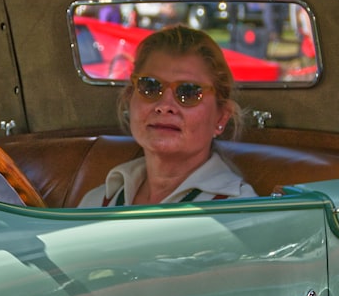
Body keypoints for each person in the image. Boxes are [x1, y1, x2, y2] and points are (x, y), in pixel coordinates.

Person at [78, 26, 256, 207]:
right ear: (130, 97)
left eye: (189, 91)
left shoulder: (239, 209)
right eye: (150, 86)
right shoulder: (96, 201)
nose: (164, 106)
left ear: (221, 118)